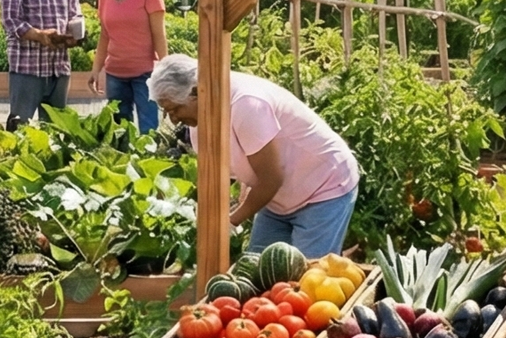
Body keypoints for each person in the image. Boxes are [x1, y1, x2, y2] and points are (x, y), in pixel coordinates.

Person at [149, 53, 361, 257]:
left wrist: (231, 221)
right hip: (279, 197)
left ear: (196, 92)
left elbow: (271, 179)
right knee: (258, 272)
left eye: (175, 109)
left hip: (323, 185)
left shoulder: (247, 104)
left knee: (307, 277)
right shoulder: (200, 120)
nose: (173, 120)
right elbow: (218, 175)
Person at [0, 0, 83, 127]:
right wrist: (39, 35)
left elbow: (75, 12)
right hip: (27, 67)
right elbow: (10, 20)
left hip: (59, 66)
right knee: (20, 127)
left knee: (56, 128)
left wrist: (75, 32)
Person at [90, 0, 167, 131]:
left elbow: (159, 35)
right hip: (115, 73)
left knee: (148, 128)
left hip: (145, 73)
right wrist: (96, 68)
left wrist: (165, 71)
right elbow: (105, 36)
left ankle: (148, 160)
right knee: (119, 129)